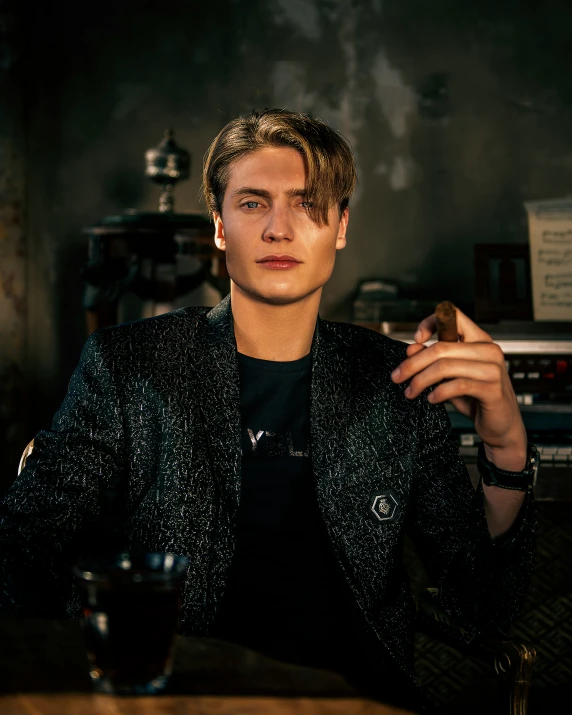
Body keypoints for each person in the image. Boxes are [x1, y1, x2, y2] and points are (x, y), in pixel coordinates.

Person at [0, 109, 535, 711]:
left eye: (308, 204)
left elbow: (481, 602)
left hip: (358, 698)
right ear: (220, 228)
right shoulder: (128, 366)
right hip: (180, 698)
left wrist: (506, 446)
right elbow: (23, 552)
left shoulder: (396, 380)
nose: (280, 229)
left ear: (340, 227)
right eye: (253, 203)